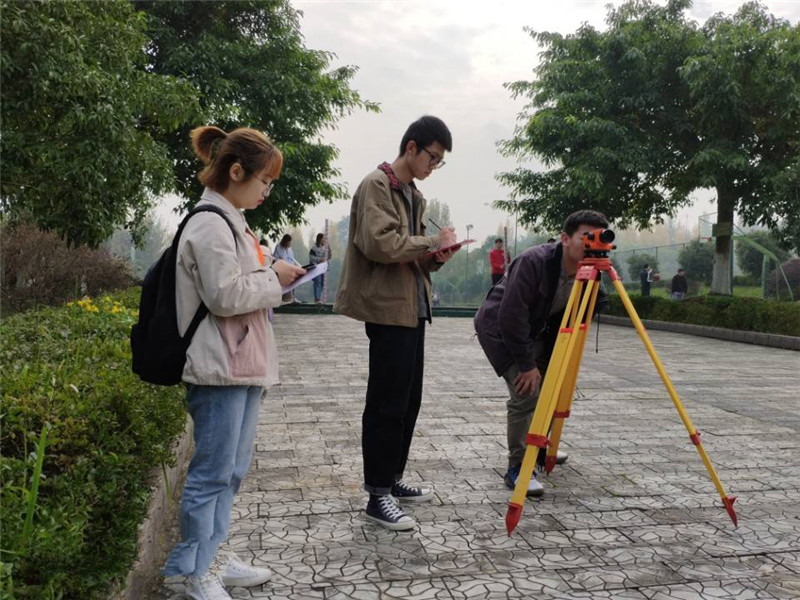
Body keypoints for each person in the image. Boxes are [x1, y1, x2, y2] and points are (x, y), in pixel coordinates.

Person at [163, 126, 304, 600]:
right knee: (211, 474)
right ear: (237, 171)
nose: (267, 190)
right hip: (218, 367)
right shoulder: (209, 224)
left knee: (232, 471)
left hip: (240, 363)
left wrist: (277, 279)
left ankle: (211, 557)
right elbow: (224, 296)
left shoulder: (233, 220)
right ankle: (191, 572)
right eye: (265, 180)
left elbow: (243, 288)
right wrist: (274, 278)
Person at [334, 115, 457, 530]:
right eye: (432, 158)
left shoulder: (413, 195)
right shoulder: (377, 185)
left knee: (408, 402)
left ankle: (392, 478)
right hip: (388, 310)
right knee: (386, 403)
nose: (433, 166)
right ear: (411, 147)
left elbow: (412, 254)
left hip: (413, 307)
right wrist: (432, 241)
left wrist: (438, 256)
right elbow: (380, 244)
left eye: (439, 162)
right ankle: (377, 495)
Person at [474, 210, 610, 497]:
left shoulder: (590, 270)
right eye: (586, 237)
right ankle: (518, 467)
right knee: (528, 392)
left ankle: (537, 447)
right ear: (565, 239)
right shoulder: (533, 262)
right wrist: (526, 365)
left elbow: (589, 307)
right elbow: (511, 317)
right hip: (501, 329)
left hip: (541, 331)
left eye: (598, 238)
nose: (592, 244)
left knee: (552, 389)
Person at [274, 234, 299, 303]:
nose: (290, 244)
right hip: (282, 269)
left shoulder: (290, 249)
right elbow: (275, 258)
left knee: (293, 282)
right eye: (289, 242)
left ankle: (292, 297)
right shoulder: (278, 247)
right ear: (285, 241)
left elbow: (292, 258)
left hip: (291, 268)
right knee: (284, 285)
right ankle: (284, 299)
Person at [309, 233, 331, 304]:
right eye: (323, 238)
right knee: (318, 282)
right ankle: (317, 299)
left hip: (323, 268)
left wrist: (329, 249)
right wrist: (319, 259)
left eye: (325, 238)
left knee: (322, 283)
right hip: (316, 268)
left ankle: (319, 298)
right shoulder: (314, 248)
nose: (324, 240)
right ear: (319, 239)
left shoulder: (326, 248)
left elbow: (329, 257)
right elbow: (311, 258)